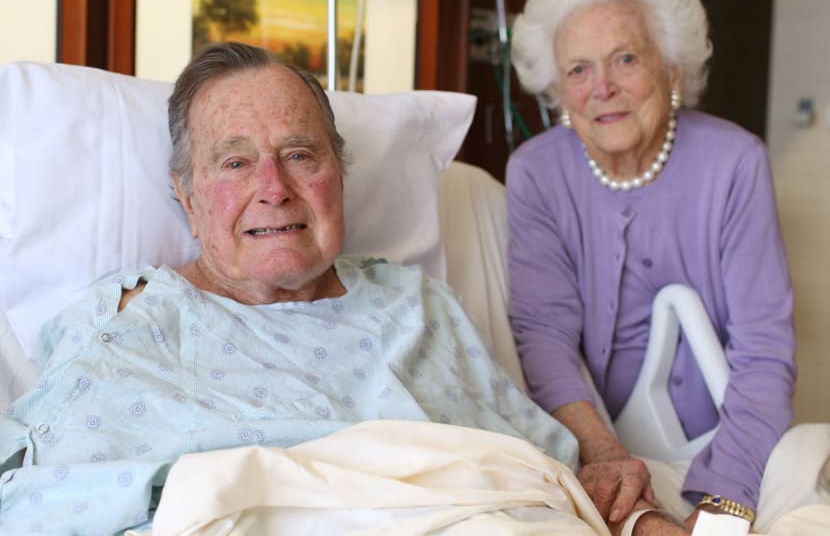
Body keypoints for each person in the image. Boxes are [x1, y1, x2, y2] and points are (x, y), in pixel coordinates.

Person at [0, 42, 600, 535]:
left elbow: (547, 470)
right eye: (235, 163)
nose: (274, 187)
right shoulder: (128, 320)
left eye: (299, 154)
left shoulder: (419, 306)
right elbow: (44, 499)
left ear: (337, 174)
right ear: (186, 196)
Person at [507, 0, 830, 535]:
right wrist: (605, 456)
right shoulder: (536, 171)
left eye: (625, 58)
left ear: (672, 67)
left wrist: (724, 502)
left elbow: (764, 350)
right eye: (578, 69)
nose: (601, 86)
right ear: (558, 89)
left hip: (726, 449)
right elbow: (543, 336)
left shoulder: (735, 162)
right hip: (595, 443)